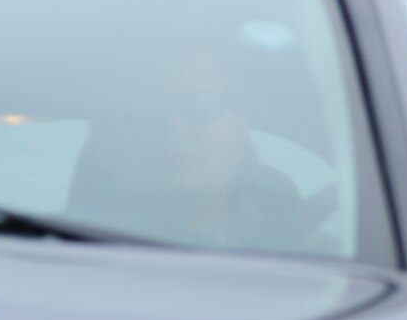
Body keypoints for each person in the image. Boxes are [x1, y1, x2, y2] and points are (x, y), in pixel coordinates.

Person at [68, 48, 303, 250]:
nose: (174, 129)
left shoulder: (312, 266)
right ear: (105, 143)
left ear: (242, 126)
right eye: (149, 112)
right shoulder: (47, 260)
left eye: (201, 106)